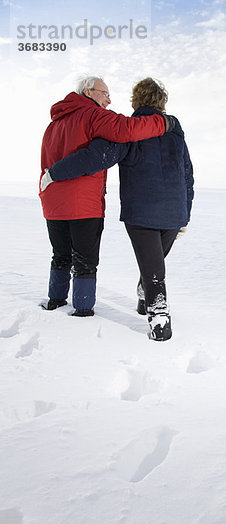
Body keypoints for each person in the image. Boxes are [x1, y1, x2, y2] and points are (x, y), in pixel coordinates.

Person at [41, 77, 194, 341]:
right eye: (105, 93)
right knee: (153, 265)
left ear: (136, 100)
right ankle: (159, 317)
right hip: (170, 211)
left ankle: (147, 300)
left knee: (152, 266)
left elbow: (94, 157)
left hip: (141, 212)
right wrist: (186, 213)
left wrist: (53, 173)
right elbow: (188, 175)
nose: (109, 99)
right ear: (162, 101)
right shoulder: (171, 129)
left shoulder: (133, 130)